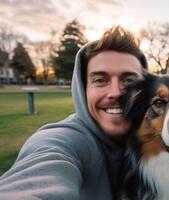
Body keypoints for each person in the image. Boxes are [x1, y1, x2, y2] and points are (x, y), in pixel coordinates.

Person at [0, 26, 148, 200]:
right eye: (100, 80)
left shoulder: (162, 141)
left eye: (129, 80)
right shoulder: (65, 142)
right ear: (83, 89)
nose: (115, 92)